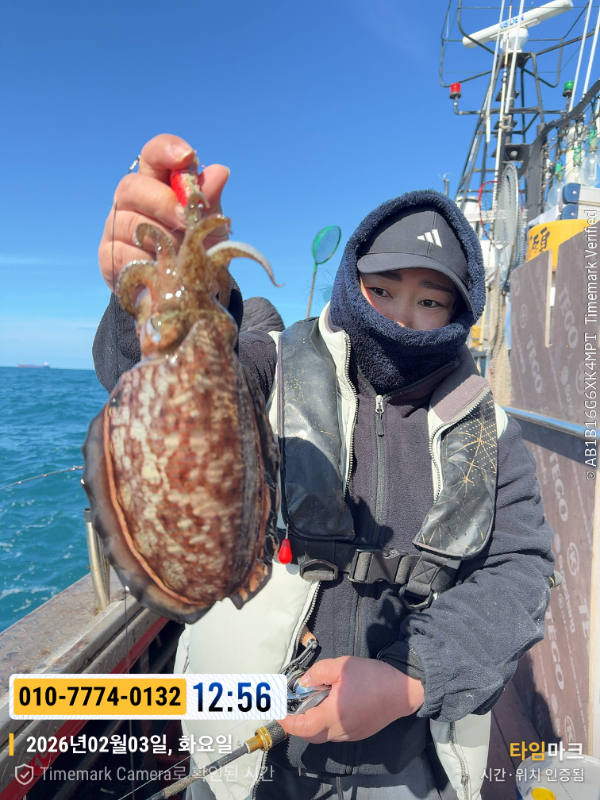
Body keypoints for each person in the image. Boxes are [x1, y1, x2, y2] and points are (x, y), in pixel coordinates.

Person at [93, 134, 555, 800]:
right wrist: (144, 297)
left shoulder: (491, 431)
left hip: (410, 751)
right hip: (250, 742)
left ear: (460, 310)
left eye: (431, 301)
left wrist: (411, 680)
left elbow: (520, 569)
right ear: (352, 282)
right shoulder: (273, 365)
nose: (403, 319)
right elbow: (166, 382)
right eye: (382, 289)